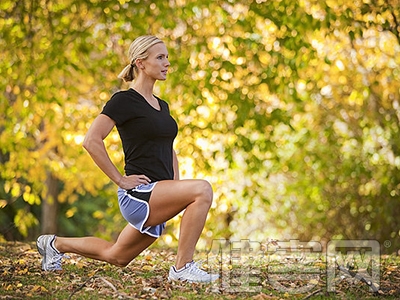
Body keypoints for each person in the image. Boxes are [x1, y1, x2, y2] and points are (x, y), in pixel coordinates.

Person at [36, 35, 219, 283]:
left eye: (167, 57)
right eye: (160, 57)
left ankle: (54, 244)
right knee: (203, 189)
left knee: (117, 256)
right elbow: (91, 140)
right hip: (139, 195)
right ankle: (182, 268)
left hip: (159, 192)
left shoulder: (161, 106)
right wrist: (120, 180)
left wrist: (176, 186)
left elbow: (168, 147)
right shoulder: (123, 100)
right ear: (140, 63)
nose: (167, 63)